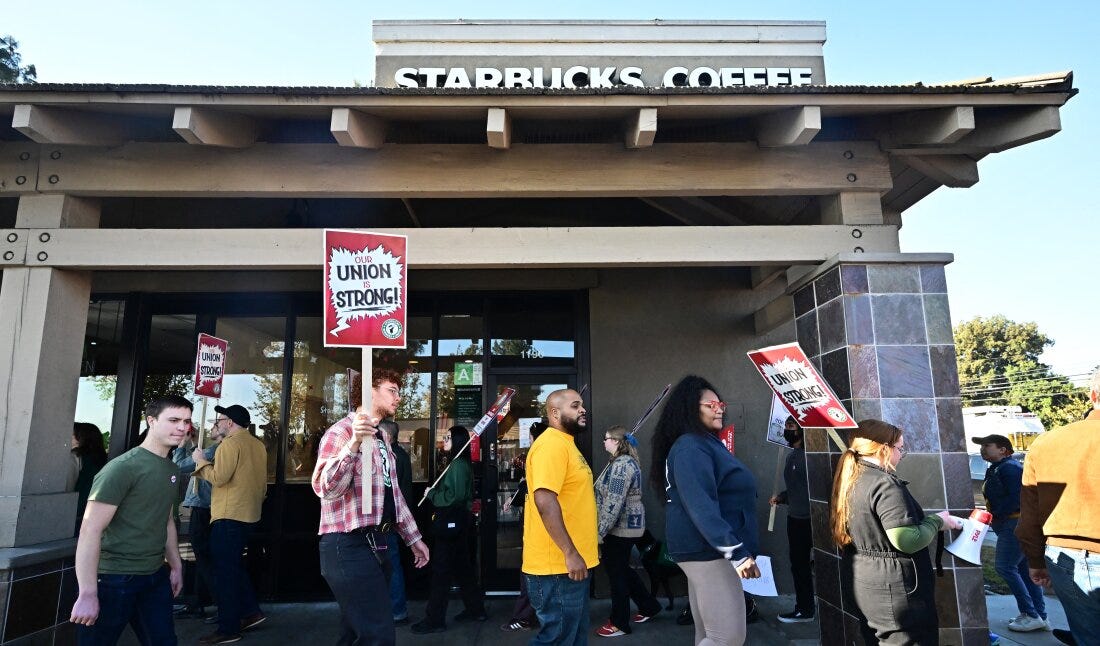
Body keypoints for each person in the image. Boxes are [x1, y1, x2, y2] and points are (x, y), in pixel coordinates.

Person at [311, 368, 430, 646]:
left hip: (378, 542)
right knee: (378, 634)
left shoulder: (382, 439)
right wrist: (352, 446)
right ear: (369, 391)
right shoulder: (339, 432)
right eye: (392, 390)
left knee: (357, 632)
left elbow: (394, 495)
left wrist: (414, 539)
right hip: (346, 544)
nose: (398, 398)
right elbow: (326, 488)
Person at [70, 395, 191, 645]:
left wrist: (176, 565)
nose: (182, 427)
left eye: (186, 421)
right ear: (151, 421)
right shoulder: (122, 468)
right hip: (113, 579)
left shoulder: (170, 468)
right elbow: (90, 529)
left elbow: (166, 520)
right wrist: (88, 593)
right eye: (174, 420)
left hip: (154, 576)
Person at [830, 419, 962, 645]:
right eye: (900, 448)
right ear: (884, 449)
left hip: (864, 581)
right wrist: (937, 522)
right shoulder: (884, 483)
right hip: (897, 588)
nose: (901, 454)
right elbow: (905, 539)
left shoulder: (851, 479)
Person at [650, 375, 761, 646]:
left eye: (720, 403)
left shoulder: (702, 443)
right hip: (710, 551)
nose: (719, 408)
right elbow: (700, 505)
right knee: (728, 638)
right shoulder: (691, 446)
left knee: (708, 636)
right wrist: (736, 552)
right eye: (710, 404)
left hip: (706, 550)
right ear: (690, 408)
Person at [1016, 368, 1100, 644]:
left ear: (1093, 395)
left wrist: (1036, 561)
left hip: (1069, 556)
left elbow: (1029, 515)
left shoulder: (1048, 442)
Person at [523, 388, 599, 646]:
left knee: (573, 639)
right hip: (557, 568)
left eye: (582, 406)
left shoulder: (566, 444)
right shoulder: (551, 446)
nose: (583, 410)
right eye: (575, 406)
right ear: (555, 413)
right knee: (556, 640)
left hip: (570, 567)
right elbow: (544, 500)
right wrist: (570, 552)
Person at [191, 404, 268, 645]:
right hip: (249, 514)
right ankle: (250, 612)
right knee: (233, 567)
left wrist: (200, 462)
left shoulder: (230, 444)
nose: (218, 422)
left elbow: (219, 478)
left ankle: (228, 628)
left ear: (230, 423)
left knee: (224, 573)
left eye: (221, 419)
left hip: (228, 515)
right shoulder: (257, 445)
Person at [413, 425, 488, 633]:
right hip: (461, 523)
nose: (444, 440)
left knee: (441, 572)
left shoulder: (456, 465)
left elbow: (452, 498)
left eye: (448, 437)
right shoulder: (461, 464)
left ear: (456, 441)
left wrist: (432, 495)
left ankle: (434, 619)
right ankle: (476, 609)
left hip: (450, 523)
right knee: (463, 569)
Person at [973, 433, 1048, 632]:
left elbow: (1017, 498)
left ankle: (1031, 614)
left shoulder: (1010, 469)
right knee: (1022, 570)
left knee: (1005, 567)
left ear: (1003, 450)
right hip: (1012, 524)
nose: (982, 449)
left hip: (1013, 524)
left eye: (987, 445)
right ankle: (1038, 615)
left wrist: (994, 514)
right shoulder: (999, 468)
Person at [595, 425, 662, 637]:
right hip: (627, 526)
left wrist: (600, 531)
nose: (603, 442)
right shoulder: (621, 462)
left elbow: (614, 502)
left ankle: (619, 622)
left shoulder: (622, 466)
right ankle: (649, 606)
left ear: (616, 441)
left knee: (617, 575)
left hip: (619, 528)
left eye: (606, 438)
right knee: (622, 569)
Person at [171, 418, 226, 619]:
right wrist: (194, 445)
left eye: (214, 426)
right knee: (202, 556)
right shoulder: (213, 451)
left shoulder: (213, 451)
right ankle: (200, 599)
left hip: (203, 506)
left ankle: (219, 603)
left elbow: (178, 466)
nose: (211, 428)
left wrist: (182, 445)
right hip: (208, 506)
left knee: (203, 557)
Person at [500, 419, 547, 634]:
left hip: (537, 527)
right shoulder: (543, 457)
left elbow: (532, 488)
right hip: (537, 525)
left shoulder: (540, 458)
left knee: (529, 572)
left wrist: (519, 493)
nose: (528, 440)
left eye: (530, 436)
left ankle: (524, 616)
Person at [768, 416, 815, 623]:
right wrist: (782, 498)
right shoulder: (792, 456)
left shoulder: (810, 456)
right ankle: (804, 607)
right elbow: (797, 488)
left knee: (806, 565)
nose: (786, 430)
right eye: (786, 426)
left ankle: (806, 609)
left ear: (801, 430)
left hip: (809, 520)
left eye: (790, 426)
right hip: (794, 519)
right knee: (799, 565)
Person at [380, 419, 413, 626]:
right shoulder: (402, 455)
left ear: (388, 437)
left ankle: (396, 609)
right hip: (396, 517)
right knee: (392, 563)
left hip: (387, 519)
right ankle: (396, 609)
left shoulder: (390, 457)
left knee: (390, 564)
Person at [69, 422, 109, 534]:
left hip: (74, 514)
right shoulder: (103, 460)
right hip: (93, 515)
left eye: (71, 434)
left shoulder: (75, 457)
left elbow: (67, 488)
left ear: (80, 439)